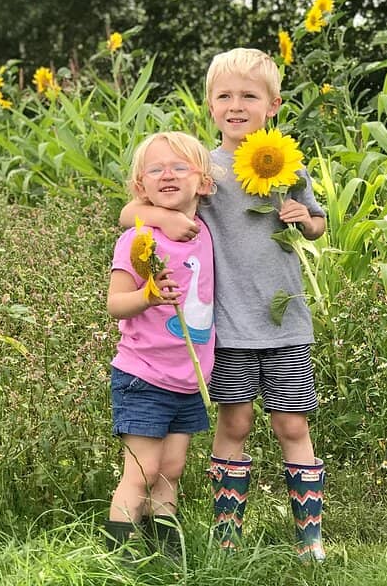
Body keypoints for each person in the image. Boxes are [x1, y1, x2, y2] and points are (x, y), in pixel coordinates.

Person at [120, 48, 328, 561]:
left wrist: (305, 218)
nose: (236, 105)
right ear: (211, 106)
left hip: (284, 323)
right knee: (233, 424)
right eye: (225, 96)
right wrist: (164, 221)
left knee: (293, 426)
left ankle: (311, 542)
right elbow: (132, 209)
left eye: (249, 96)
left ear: (273, 105)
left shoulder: (285, 166)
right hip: (226, 330)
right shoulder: (202, 169)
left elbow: (320, 222)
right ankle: (227, 538)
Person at [104, 131, 217, 559]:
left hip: (188, 380)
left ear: (203, 182)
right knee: (142, 470)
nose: (167, 174)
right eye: (155, 169)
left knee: (170, 472)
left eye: (179, 167)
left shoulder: (204, 230)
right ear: (140, 188)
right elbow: (116, 303)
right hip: (143, 377)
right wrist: (148, 296)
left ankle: (167, 559)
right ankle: (118, 559)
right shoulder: (137, 239)